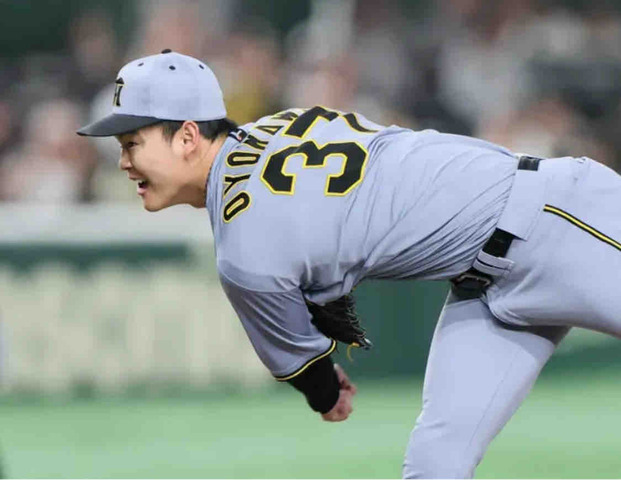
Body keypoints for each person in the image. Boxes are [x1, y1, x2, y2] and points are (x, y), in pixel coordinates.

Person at [77, 50, 621, 478]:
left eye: (132, 143)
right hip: (486, 286)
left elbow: (305, 366)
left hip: (559, 220)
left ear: (187, 136)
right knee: (436, 461)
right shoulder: (281, 124)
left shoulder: (244, 249)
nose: (123, 161)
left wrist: (326, 391)